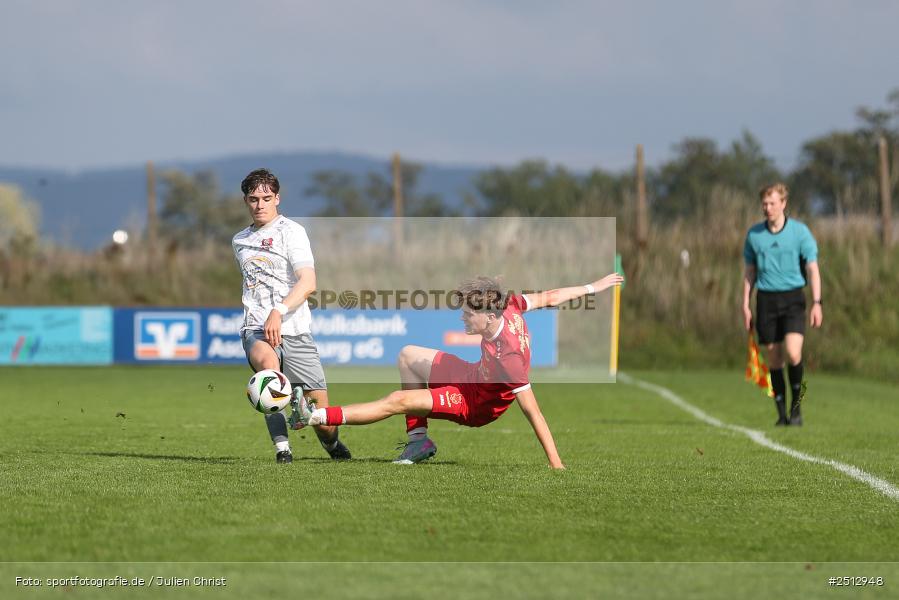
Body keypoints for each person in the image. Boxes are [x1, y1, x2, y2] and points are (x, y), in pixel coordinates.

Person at [292, 273, 624, 468]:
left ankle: (316, 416)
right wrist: (594, 287)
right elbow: (551, 296)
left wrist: (556, 464)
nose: (463, 317)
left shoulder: (508, 358)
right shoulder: (508, 306)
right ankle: (419, 442)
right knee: (407, 355)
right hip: (470, 375)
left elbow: (533, 412)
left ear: (489, 317)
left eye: (468, 314)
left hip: (474, 405)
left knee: (398, 400)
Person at [232, 168, 350, 463]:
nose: (260, 205)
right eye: (253, 199)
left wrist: (279, 311)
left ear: (277, 199)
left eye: (266, 198)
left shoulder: (292, 231)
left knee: (324, 421)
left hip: (295, 330)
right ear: (246, 201)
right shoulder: (239, 240)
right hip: (256, 328)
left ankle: (331, 443)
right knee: (269, 375)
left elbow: (308, 282)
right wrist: (266, 316)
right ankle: (283, 449)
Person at [742, 183, 823, 426]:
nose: (768, 208)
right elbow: (750, 271)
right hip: (766, 300)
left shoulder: (800, 232)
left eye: (772, 203)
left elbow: (812, 268)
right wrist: (745, 304)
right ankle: (781, 415)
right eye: (764, 204)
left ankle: (797, 408)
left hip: (793, 298)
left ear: (783, 204)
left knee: (793, 352)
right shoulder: (754, 235)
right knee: (774, 359)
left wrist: (817, 302)